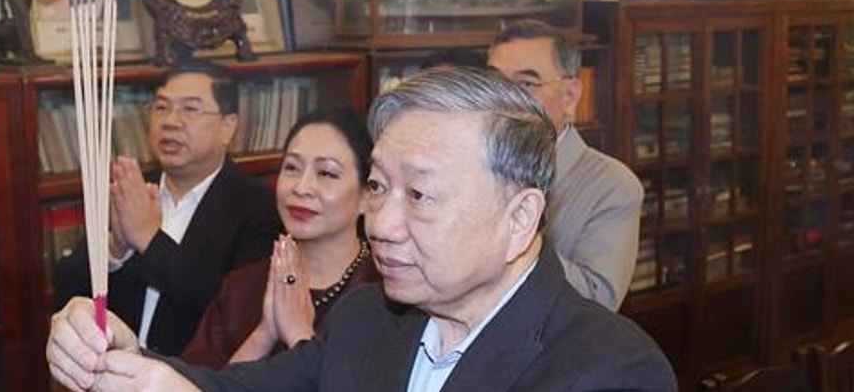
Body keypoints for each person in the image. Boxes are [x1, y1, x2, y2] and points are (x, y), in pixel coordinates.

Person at [47, 66, 677, 392]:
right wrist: (131, 365)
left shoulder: (607, 369)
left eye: (421, 195)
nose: (383, 224)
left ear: (520, 220)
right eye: (377, 186)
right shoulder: (369, 318)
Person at [52, 60, 281, 357]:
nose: (171, 121)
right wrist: (115, 248)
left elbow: (234, 312)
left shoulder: (258, 208)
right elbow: (66, 286)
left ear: (228, 127)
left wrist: (148, 239)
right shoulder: (133, 189)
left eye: (190, 108)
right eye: (161, 107)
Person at [180, 108, 379, 368]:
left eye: (326, 173)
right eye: (292, 168)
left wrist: (299, 337)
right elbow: (193, 383)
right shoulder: (242, 287)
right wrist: (264, 334)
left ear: (367, 195)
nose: (301, 187)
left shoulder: (386, 294)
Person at [486, 18, 642, 311]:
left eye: (526, 84)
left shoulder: (613, 186)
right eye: (495, 83)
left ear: (569, 96)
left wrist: (512, 230)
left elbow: (597, 301)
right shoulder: (467, 165)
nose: (503, 99)